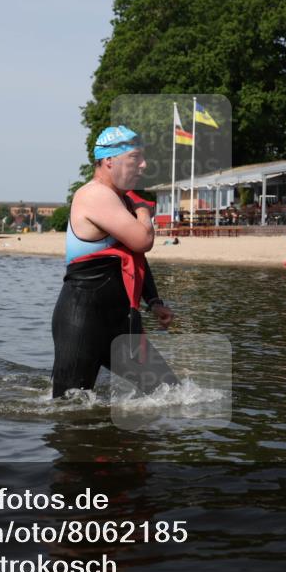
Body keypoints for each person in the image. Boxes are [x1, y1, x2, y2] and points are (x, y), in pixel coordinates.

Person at [51, 125, 177, 398]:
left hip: (119, 320)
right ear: (110, 160)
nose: (143, 165)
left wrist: (153, 302)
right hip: (82, 319)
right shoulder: (94, 194)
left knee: (170, 393)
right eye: (135, 157)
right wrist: (144, 210)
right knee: (68, 411)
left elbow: (133, 256)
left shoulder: (119, 198)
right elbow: (143, 239)